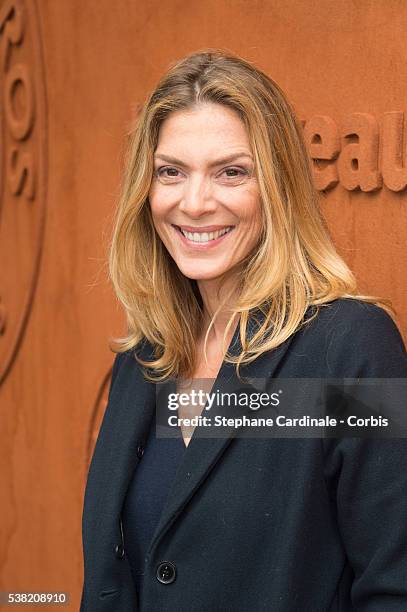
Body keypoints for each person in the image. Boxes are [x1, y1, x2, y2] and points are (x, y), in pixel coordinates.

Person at [80, 49, 407, 611]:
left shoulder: (351, 348)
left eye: (232, 172)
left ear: (276, 188)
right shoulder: (143, 358)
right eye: (171, 172)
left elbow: (394, 585)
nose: (195, 202)